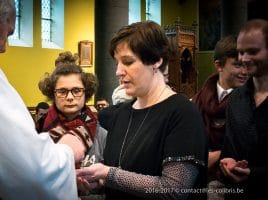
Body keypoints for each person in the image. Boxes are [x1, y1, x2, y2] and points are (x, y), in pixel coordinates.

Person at [77, 21, 208, 200]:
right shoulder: (120, 114)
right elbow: (119, 175)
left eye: (128, 62)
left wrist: (108, 174)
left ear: (156, 60)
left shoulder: (183, 113)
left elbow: (173, 189)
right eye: (117, 63)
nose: (118, 72)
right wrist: (97, 181)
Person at [0, 0, 78, 199]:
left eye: (77, 91)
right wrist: (68, 151)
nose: (4, 48)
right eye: (7, 34)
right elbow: (32, 173)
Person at [191, 35, 248, 199]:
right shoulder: (196, 101)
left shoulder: (252, 103)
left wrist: (218, 156)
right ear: (219, 65)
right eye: (238, 65)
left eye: (247, 65)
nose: (244, 72)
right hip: (196, 176)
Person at [219, 19, 268, 200]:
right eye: (241, 52)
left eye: (253, 52)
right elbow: (229, 150)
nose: (244, 59)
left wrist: (253, 173)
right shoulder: (235, 99)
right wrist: (228, 164)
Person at [37, 53, 107, 168]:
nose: (70, 97)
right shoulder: (39, 131)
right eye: (62, 91)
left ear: (86, 92)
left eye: (76, 90)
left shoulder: (101, 135)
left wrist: (99, 180)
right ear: (52, 94)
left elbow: (107, 174)